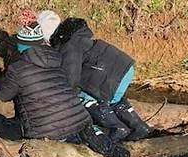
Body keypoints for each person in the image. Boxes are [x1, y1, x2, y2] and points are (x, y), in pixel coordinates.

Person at [0, 16, 132, 157]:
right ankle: (117, 152)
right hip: (79, 119)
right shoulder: (55, 57)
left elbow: (2, 94)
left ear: (20, 46)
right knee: (85, 133)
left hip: (45, 130)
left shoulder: (17, 68)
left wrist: (7, 69)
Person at [36, 11, 151, 142]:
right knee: (113, 99)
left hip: (109, 74)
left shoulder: (69, 46)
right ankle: (139, 127)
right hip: (124, 68)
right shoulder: (75, 36)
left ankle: (117, 128)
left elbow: (71, 79)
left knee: (82, 97)